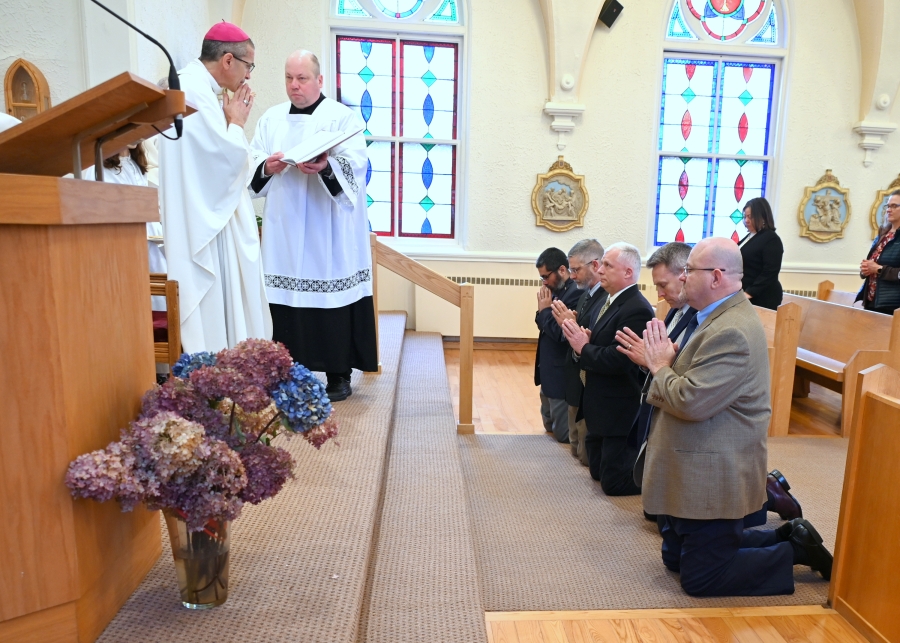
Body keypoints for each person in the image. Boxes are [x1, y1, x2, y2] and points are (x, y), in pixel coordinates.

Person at [636, 237, 832, 597]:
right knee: (676, 560)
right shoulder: (714, 316)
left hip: (713, 471)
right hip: (692, 460)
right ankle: (783, 534)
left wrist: (661, 365)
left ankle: (794, 550)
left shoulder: (732, 330)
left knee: (701, 579)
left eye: (687, 271)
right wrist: (669, 360)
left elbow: (692, 401)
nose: (681, 280)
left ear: (715, 277)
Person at [249, 50, 375, 401]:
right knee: (286, 300)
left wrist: (326, 166)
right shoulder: (271, 120)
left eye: (302, 78)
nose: (294, 85)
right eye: (289, 78)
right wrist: (266, 167)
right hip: (284, 226)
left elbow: (358, 168)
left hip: (327, 229)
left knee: (331, 294)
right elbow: (252, 161)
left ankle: (338, 375)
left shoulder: (342, 119)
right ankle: (285, 373)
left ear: (320, 80)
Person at [159, 21, 271, 354]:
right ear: (227, 60)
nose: (248, 76)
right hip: (207, 228)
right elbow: (228, 163)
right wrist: (236, 123)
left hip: (205, 217)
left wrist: (227, 123)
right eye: (248, 66)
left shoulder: (197, 89)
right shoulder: (193, 92)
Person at [561, 242, 653, 495]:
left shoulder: (636, 308)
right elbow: (602, 344)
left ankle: (661, 485)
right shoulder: (610, 300)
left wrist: (583, 347)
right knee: (597, 472)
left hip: (619, 408)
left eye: (607, 265)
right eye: (601, 264)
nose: (600, 270)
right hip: (600, 403)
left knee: (613, 484)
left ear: (628, 273)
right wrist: (588, 342)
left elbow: (620, 359)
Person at [550, 239, 607, 465]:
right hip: (575, 376)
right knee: (575, 450)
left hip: (589, 379)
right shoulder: (585, 294)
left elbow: (592, 336)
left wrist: (572, 326)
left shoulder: (604, 297)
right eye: (571, 270)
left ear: (594, 264)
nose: (572, 276)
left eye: (576, 270)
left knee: (585, 454)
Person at [534, 247, 581, 443]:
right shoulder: (557, 291)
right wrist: (543, 313)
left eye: (546, 276)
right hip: (549, 370)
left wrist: (544, 312)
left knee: (563, 435)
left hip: (561, 373)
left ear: (562, 270)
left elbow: (562, 335)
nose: (544, 282)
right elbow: (544, 325)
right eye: (541, 278)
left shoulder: (575, 295)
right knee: (549, 427)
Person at [856, 189, 900, 315]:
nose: (888, 210)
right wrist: (866, 269)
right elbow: (874, 262)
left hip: (893, 306)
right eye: (888, 206)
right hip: (872, 301)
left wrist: (879, 269)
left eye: (894, 206)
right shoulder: (883, 234)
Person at [738, 197, 784, 310]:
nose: (746, 220)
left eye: (750, 217)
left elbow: (770, 272)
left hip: (762, 297)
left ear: (762, 216)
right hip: (744, 294)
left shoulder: (771, 239)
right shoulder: (749, 237)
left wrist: (749, 293)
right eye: (745, 217)